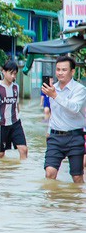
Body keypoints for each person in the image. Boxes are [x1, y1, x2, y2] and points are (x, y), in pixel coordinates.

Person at [41, 55, 86, 183]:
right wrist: (49, 131)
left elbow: (74, 108)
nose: (60, 73)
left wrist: (55, 95)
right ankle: (51, 201)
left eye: (64, 70)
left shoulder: (80, 90)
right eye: (58, 69)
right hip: (55, 137)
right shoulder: (52, 89)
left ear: (72, 71)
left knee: (77, 177)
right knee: (50, 173)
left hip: (75, 136)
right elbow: (54, 114)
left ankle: (76, 201)